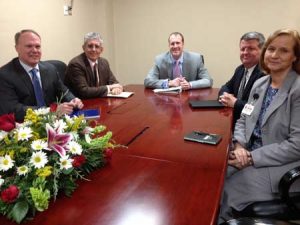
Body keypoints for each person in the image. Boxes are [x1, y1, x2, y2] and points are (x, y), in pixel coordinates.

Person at [218, 29, 300, 224]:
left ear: (295, 56)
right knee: (213, 178)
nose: (274, 55)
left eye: (283, 51)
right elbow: (243, 119)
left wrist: (251, 158)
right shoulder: (260, 84)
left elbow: (297, 145)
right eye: (271, 49)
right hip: (246, 153)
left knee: (226, 193)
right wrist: (239, 146)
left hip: (281, 164)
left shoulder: (297, 90)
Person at [0, 29, 83, 122]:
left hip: (55, 122)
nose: (35, 50)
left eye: (37, 46)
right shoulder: (4, 75)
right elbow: (12, 110)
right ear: (17, 48)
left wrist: (73, 100)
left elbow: (63, 91)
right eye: (29, 46)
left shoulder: (50, 69)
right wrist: (50, 111)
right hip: (24, 127)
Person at [219, 32, 265, 129]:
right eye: (242, 49)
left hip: (251, 128)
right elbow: (226, 86)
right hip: (235, 122)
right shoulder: (240, 69)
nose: (245, 52)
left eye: (251, 49)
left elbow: (257, 109)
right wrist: (224, 96)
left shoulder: (264, 75)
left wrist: (235, 103)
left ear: (262, 51)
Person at [144, 32, 213, 90]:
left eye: (178, 43)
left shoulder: (196, 58)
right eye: (172, 43)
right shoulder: (159, 59)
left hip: (189, 98)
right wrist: (169, 83)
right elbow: (148, 81)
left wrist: (190, 85)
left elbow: (208, 81)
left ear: (183, 44)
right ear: (169, 45)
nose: (175, 46)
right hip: (167, 100)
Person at [64, 32, 123, 99]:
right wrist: (109, 88)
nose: (94, 49)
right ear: (83, 48)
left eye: (97, 46)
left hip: (99, 102)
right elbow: (84, 91)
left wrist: (117, 89)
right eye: (90, 46)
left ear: (101, 50)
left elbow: (114, 82)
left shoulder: (104, 62)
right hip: (81, 104)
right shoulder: (76, 64)